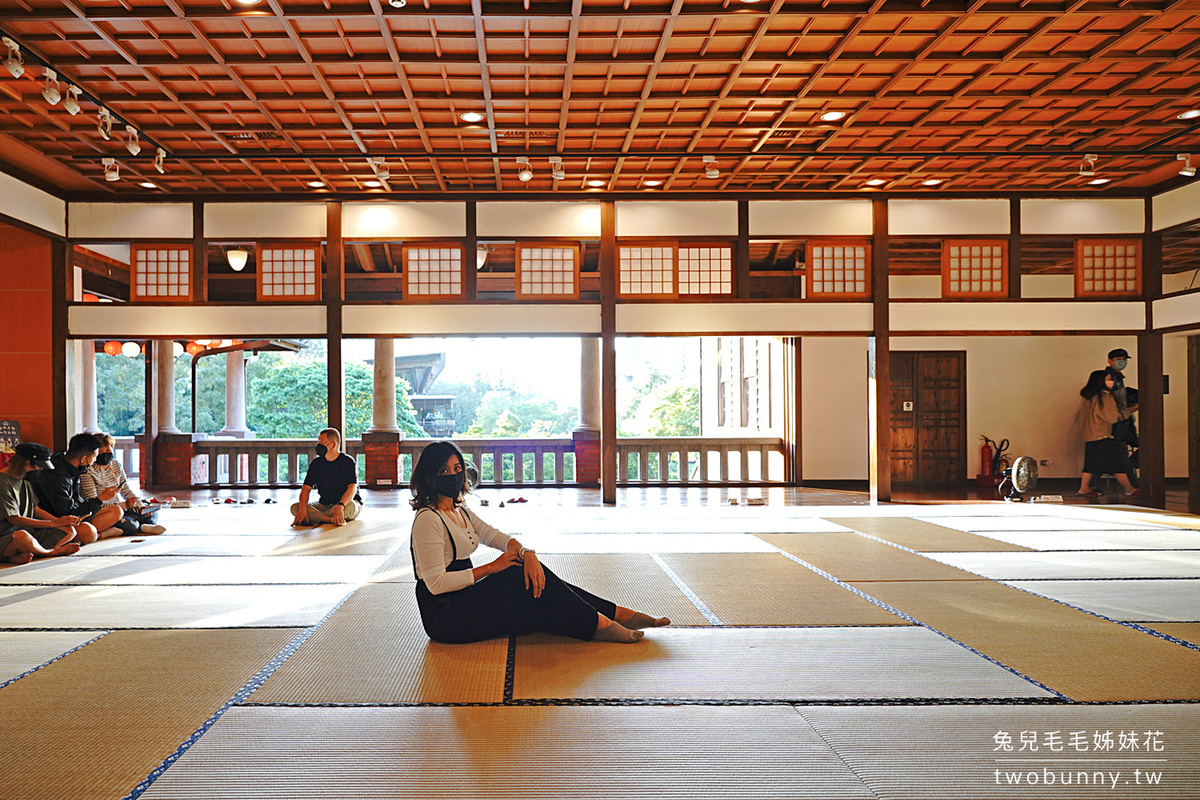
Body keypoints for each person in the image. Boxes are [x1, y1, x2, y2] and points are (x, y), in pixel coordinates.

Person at [409, 440, 669, 644]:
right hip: (445, 614)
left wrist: (527, 553)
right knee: (513, 576)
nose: (453, 476)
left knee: (533, 602)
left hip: (464, 598)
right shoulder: (428, 519)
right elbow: (436, 585)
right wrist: (491, 568)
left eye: (457, 469)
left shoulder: (460, 510)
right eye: (444, 471)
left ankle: (610, 616)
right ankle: (603, 622)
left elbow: (494, 535)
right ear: (430, 477)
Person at [30, 433, 125, 540]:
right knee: (88, 531)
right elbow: (66, 513)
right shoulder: (56, 477)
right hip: (56, 520)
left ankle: (95, 532)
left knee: (116, 511)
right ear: (83, 458)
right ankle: (99, 535)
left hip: (74, 515)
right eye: (94, 457)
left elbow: (77, 502)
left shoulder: (70, 464)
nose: (95, 461)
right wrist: (100, 499)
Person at [0, 443, 83, 564]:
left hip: (28, 533)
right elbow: (15, 520)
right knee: (22, 537)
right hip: (6, 537)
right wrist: (53, 523)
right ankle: (51, 552)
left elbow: (36, 510)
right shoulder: (3, 482)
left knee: (69, 530)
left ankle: (27, 553)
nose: (40, 471)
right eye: (39, 467)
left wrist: (62, 522)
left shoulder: (25, 482)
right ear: (27, 463)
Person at [80, 433, 167, 536]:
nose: (104, 454)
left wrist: (138, 504)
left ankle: (146, 525)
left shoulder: (116, 465)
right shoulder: (87, 471)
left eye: (107, 450)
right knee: (128, 524)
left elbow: (125, 489)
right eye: (100, 451)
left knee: (151, 511)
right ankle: (138, 527)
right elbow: (92, 503)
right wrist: (124, 505)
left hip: (120, 507)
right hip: (104, 511)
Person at [1076, 369, 1138, 498]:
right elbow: (1112, 417)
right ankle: (1129, 489)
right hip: (1103, 434)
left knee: (1090, 464)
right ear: (1101, 382)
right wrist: (1129, 411)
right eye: (1108, 379)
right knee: (1117, 463)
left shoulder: (1087, 396)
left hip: (1090, 435)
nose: (1111, 382)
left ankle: (1084, 488)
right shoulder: (1104, 396)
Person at [291, 428, 361, 527]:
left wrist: (340, 506)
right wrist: (302, 509)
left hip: (345, 503)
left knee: (351, 507)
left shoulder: (348, 462)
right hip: (324, 505)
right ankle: (331, 519)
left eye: (322, 442)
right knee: (295, 508)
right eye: (318, 442)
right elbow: (306, 489)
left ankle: (319, 517)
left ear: (333, 444)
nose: (319, 445)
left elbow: (352, 488)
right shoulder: (316, 463)